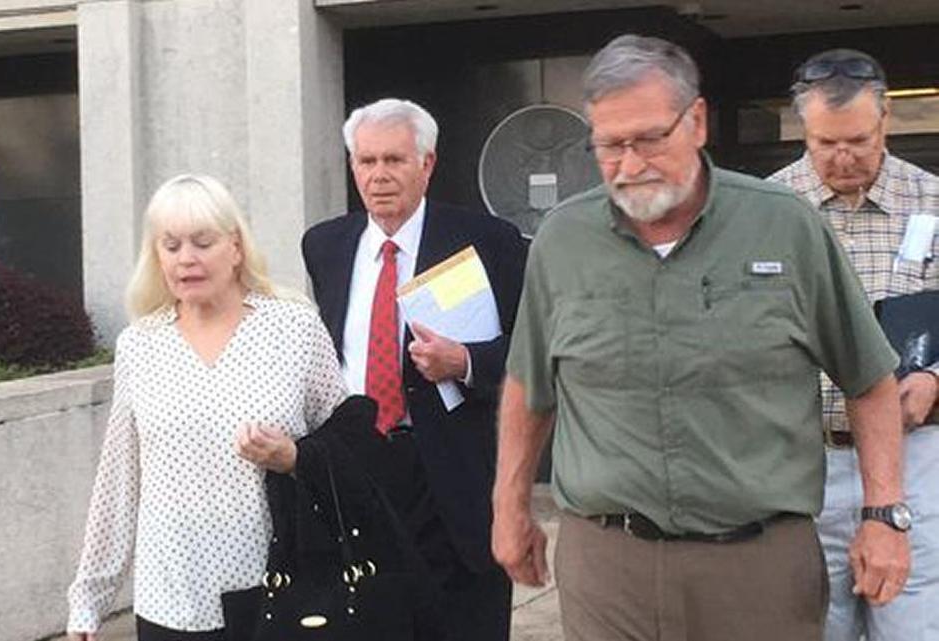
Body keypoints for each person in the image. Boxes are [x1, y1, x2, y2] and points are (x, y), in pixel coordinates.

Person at [491, 34, 909, 641]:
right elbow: (529, 385)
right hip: (609, 568)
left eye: (650, 139)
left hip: (758, 569)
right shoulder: (562, 240)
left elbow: (868, 378)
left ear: (698, 121)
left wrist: (884, 514)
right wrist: (509, 507)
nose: (630, 165)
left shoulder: (785, 225)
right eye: (609, 145)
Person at [65, 174, 347, 641]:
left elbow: (347, 445)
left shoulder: (293, 327)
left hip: (278, 587)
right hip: (170, 599)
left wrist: (293, 457)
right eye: (171, 245)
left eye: (202, 242)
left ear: (235, 247)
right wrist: (89, 600)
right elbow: (119, 477)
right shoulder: (140, 344)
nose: (186, 259)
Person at [301, 97, 527, 641]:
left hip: (452, 478)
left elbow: (533, 354)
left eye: (394, 160)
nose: (378, 175)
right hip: (359, 470)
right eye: (367, 161)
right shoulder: (326, 245)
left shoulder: (487, 241)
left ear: (427, 164)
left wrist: (465, 361)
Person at [769, 48, 939, 641]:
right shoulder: (768, 209)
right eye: (825, 143)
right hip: (801, 461)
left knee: (913, 628)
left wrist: (936, 379)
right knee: (810, 625)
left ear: (885, 120)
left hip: (914, 458)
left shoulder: (931, 201)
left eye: (859, 141)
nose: (843, 158)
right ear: (803, 132)